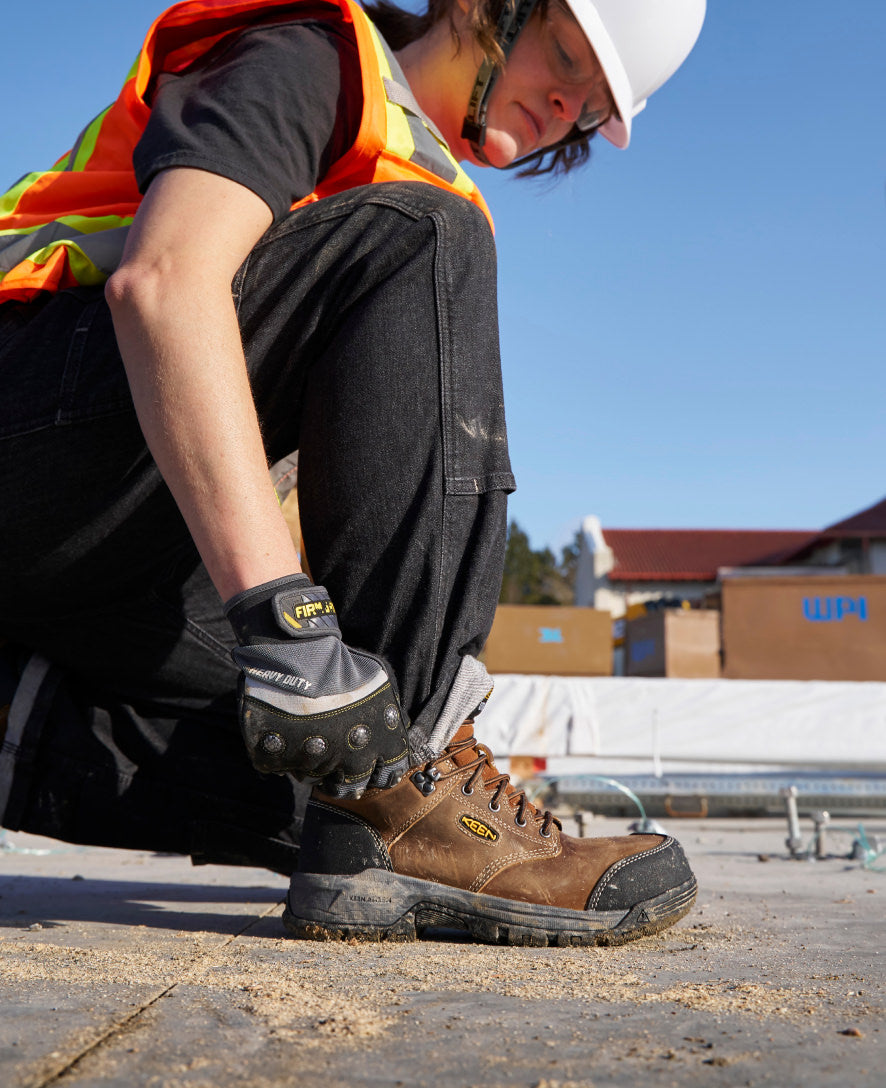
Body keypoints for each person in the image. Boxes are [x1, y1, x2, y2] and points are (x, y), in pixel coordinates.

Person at [0, 0, 705, 944]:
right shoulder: (313, 57)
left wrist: (334, 682)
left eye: (590, 108)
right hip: (31, 435)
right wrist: (285, 621)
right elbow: (164, 282)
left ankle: (27, 725)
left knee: (336, 782)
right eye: (567, 56)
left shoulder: (401, 166)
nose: (564, 106)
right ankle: (413, 792)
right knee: (426, 237)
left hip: (79, 536)